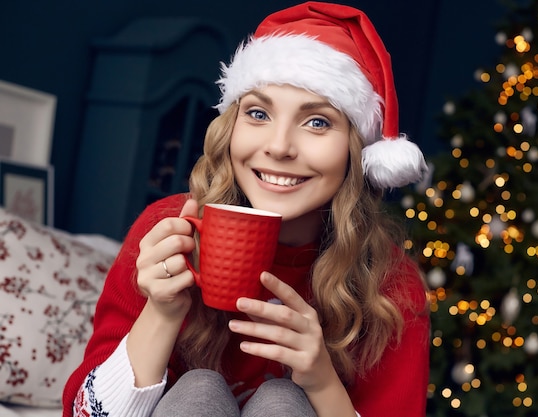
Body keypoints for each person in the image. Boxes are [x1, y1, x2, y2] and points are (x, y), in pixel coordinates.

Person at [63, 2, 430, 416]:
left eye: (317, 122)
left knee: (284, 401)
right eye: (258, 113)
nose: (278, 147)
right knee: (198, 389)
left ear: (356, 149)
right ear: (231, 127)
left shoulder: (391, 286)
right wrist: (161, 312)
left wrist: (321, 380)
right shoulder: (169, 230)